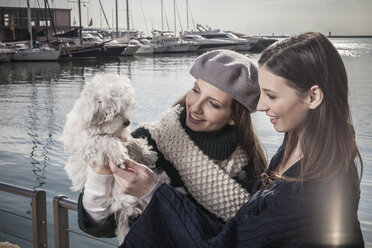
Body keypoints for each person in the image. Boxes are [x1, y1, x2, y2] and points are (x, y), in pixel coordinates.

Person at [108, 32, 364, 247]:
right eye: (262, 93)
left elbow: (228, 243)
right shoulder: (295, 143)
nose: (260, 106)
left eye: (272, 96)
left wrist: (153, 191)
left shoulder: (319, 187)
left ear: (313, 97)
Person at [77, 50, 268, 241]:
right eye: (196, 90)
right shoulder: (147, 141)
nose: (195, 107)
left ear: (234, 117)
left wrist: (154, 192)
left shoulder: (252, 163)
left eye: (213, 104)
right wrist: (99, 174)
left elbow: (244, 238)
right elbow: (101, 224)